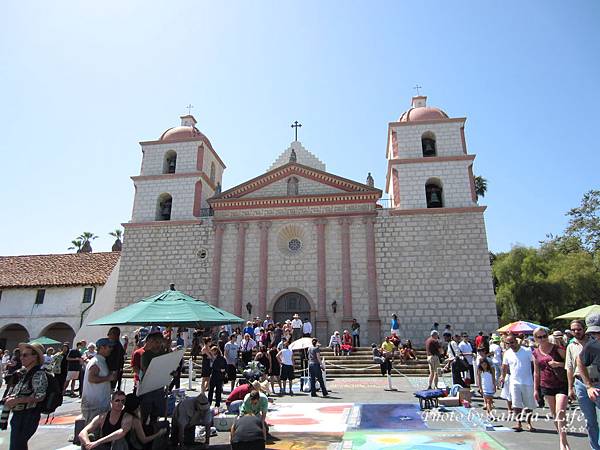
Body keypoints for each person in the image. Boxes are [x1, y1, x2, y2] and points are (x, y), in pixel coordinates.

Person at [532, 326, 570, 450]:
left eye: (544, 336)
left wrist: (558, 364)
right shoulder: (535, 352)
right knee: (555, 415)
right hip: (546, 385)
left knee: (560, 412)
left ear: (548, 336)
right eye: (539, 337)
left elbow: (570, 364)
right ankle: (561, 438)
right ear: (535, 339)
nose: (542, 339)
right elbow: (536, 372)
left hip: (561, 384)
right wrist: (535, 389)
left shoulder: (557, 349)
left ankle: (563, 443)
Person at [4, 343, 47, 450]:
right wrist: (12, 397)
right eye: (21, 355)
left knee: (16, 447)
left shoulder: (38, 374)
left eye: (25, 355)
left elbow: (40, 396)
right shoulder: (25, 373)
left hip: (28, 415)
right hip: (20, 415)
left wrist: (17, 400)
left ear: (35, 357)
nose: (21, 358)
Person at [567, 319, 600, 450]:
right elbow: (576, 363)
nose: (596, 335)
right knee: (590, 421)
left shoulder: (592, 343)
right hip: (582, 384)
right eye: (593, 332)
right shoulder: (588, 345)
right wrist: (586, 386)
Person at [500, 334, 536, 432]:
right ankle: (518, 423)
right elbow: (504, 366)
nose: (511, 344)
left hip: (528, 381)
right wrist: (502, 377)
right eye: (508, 343)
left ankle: (529, 423)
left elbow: (535, 364)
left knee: (529, 404)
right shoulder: (507, 353)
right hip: (514, 382)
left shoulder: (527, 351)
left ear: (516, 341)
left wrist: (536, 377)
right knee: (516, 404)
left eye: (512, 342)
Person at [81, 338, 116, 424]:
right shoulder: (96, 362)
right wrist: (108, 378)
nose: (111, 349)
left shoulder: (101, 360)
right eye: (109, 347)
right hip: (94, 406)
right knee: (92, 432)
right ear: (102, 348)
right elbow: (91, 378)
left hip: (100, 404)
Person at [139, 333, 167, 432]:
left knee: (156, 412)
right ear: (152, 342)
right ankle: (142, 431)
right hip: (148, 387)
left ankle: (153, 431)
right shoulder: (146, 354)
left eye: (160, 342)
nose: (158, 344)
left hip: (159, 387)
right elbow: (145, 369)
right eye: (156, 342)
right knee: (145, 412)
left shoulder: (164, 353)